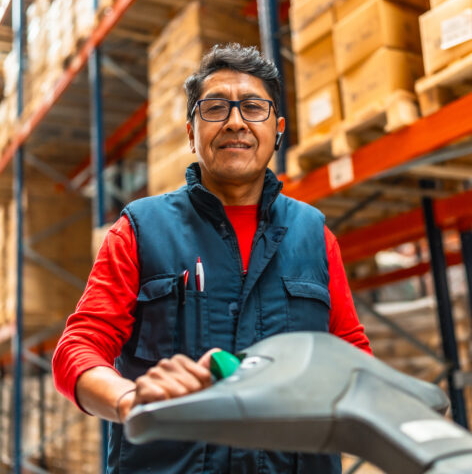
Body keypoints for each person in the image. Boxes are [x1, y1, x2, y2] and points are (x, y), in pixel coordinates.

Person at [52, 43, 372, 473]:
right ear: (191, 132)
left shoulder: (314, 235)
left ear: (277, 128)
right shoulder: (140, 229)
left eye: (253, 108)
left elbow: (351, 353)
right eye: (216, 108)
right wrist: (130, 402)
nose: (236, 122)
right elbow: (79, 347)